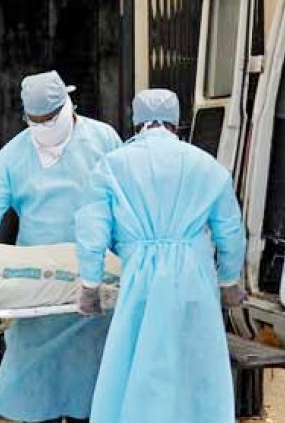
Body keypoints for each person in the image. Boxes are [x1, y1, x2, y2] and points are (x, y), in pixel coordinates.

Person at [0, 70, 122, 422]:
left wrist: (128, 262)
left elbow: (126, 202)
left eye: (51, 118)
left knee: (92, 377)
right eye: (37, 121)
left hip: (93, 278)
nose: (45, 127)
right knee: (34, 383)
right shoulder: (15, 155)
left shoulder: (103, 139)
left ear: (69, 104)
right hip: (38, 285)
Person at [74, 89, 247, 423]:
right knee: (195, 367)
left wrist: (90, 284)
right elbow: (230, 230)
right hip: (195, 279)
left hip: (140, 278)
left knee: (139, 363)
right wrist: (228, 281)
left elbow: (91, 229)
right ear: (177, 122)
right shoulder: (206, 166)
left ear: (136, 121)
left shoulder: (112, 166)